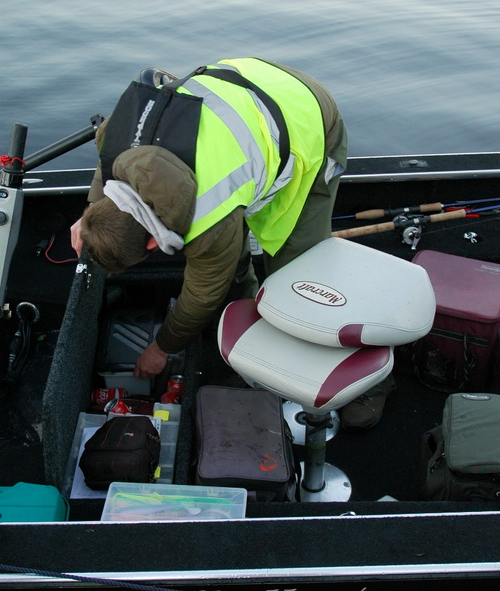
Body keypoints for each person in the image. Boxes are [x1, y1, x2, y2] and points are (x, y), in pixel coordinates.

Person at [70, 57, 392, 428]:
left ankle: (374, 379)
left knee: (301, 277)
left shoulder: (208, 215)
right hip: (246, 84)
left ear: (151, 246)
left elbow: (202, 294)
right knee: (231, 263)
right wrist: (93, 210)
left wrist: (162, 349)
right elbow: (105, 167)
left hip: (308, 116)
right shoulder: (115, 142)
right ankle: (251, 341)